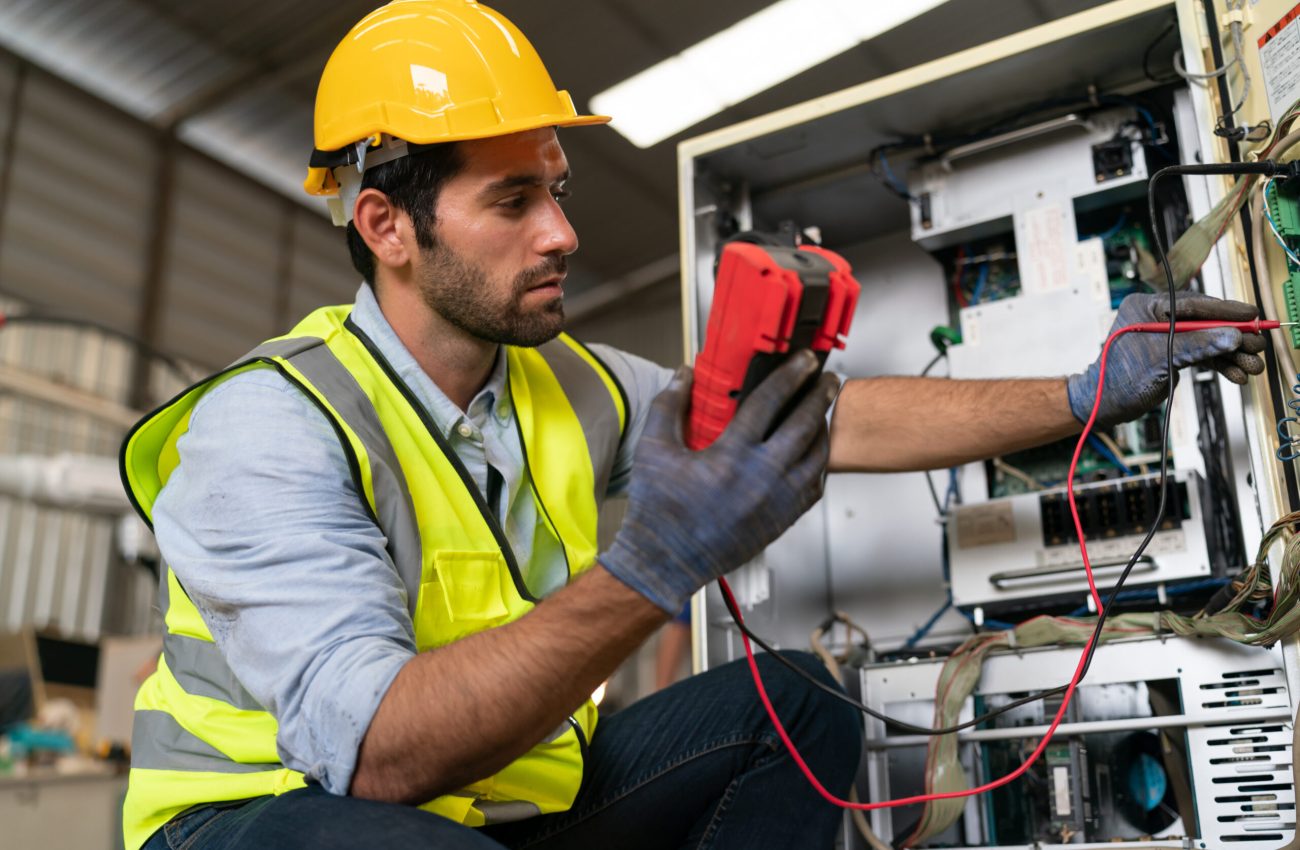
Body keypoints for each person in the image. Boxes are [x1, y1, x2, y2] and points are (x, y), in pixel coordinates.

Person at [117, 2, 1267, 849]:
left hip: (491, 806)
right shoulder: (269, 426)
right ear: (386, 224)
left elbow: (833, 420)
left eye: (555, 188)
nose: (561, 232)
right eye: (513, 201)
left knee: (795, 699)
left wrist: (1083, 393)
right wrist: (659, 562)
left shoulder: (563, 379)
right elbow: (380, 756)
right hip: (263, 820)